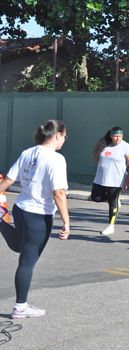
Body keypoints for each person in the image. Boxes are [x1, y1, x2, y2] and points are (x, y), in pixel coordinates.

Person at [0, 120, 70, 319]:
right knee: (27, 262)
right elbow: (58, 192)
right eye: (65, 136)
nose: (64, 140)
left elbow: (9, 180)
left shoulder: (27, 152)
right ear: (57, 135)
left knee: (19, 247)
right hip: (39, 215)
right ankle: (20, 307)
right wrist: (66, 222)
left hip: (21, 208)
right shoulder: (57, 159)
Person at [91, 126, 129, 235]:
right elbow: (98, 158)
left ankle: (111, 226)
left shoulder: (126, 146)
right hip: (100, 178)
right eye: (115, 136)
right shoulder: (104, 145)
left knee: (112, 203)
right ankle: (114, 201)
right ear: (111, 136)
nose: (118, 138)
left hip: (117, 180)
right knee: (95, 197)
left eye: (120, 136)